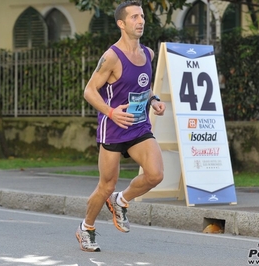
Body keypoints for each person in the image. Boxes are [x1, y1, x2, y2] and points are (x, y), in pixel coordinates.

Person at [75, 0, 166, 252]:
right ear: (121, 24)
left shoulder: (148, 53)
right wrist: (111, 112)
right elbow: (89, 91)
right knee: (106, 185)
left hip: (138, 126)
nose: (141, 21)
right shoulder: (111, 56)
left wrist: (154, 99)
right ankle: (86, 228)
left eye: (142, 16)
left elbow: (142, 88)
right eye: (135, 17)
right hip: (113, 128)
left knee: (155, 175)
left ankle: (121, 201)